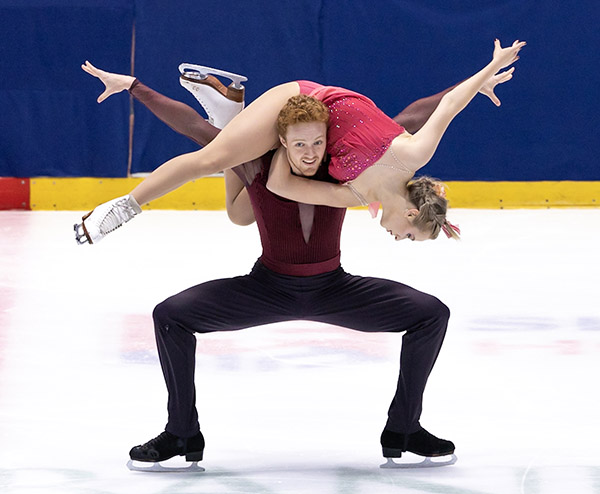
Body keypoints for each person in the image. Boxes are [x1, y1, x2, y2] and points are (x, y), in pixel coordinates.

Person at [81, 60, 516, 468]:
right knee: (174, 309)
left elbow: (416, 118)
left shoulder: (351, 173)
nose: (310, 154)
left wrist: (476, 85)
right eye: (300, 144)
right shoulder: (264, 159)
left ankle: (404, 429)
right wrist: (135, 88)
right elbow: (196, 136)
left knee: (431, 314)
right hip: (267, 286)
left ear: (330, 140)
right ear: (282, 140)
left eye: (318, 144)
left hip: (333, 287)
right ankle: (181, 433)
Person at [75, 38, 524, 245]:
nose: (399, 240)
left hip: (303, 144)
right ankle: (123, 208)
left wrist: (278, 157)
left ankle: (229, 109)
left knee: (238, 214)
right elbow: (446, 109)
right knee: (211, 156)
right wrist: (484, 73)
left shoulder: (355, 197)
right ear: (410, 212)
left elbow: (283, 188)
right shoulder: (413, 153)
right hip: (302, 100)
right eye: (410, 236)